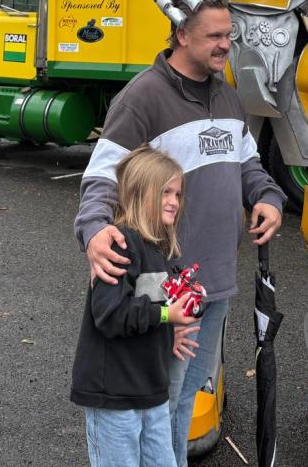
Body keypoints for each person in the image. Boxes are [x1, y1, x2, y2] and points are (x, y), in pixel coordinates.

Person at [75, 0, 285, 467]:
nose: (225, 46)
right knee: (160, 402)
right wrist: (93, 230)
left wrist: (268, 196)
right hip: (169, 281)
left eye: (229, 36)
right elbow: (103, 176)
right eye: (214, 36)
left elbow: (246, 161)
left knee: (187, 398)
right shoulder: (143, 97)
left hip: (214, 278)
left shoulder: (228, 94)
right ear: (181, 35)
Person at [71, 146, 195, 467]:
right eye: (165, 192)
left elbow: (174, 304)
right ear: (141, 193)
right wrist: (168, 315)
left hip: (151, 392)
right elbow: (110, 315)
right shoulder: (120, 245)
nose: (173, 201)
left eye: (177, 194)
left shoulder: (163, 249)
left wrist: (184, 313)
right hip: (113, 396)